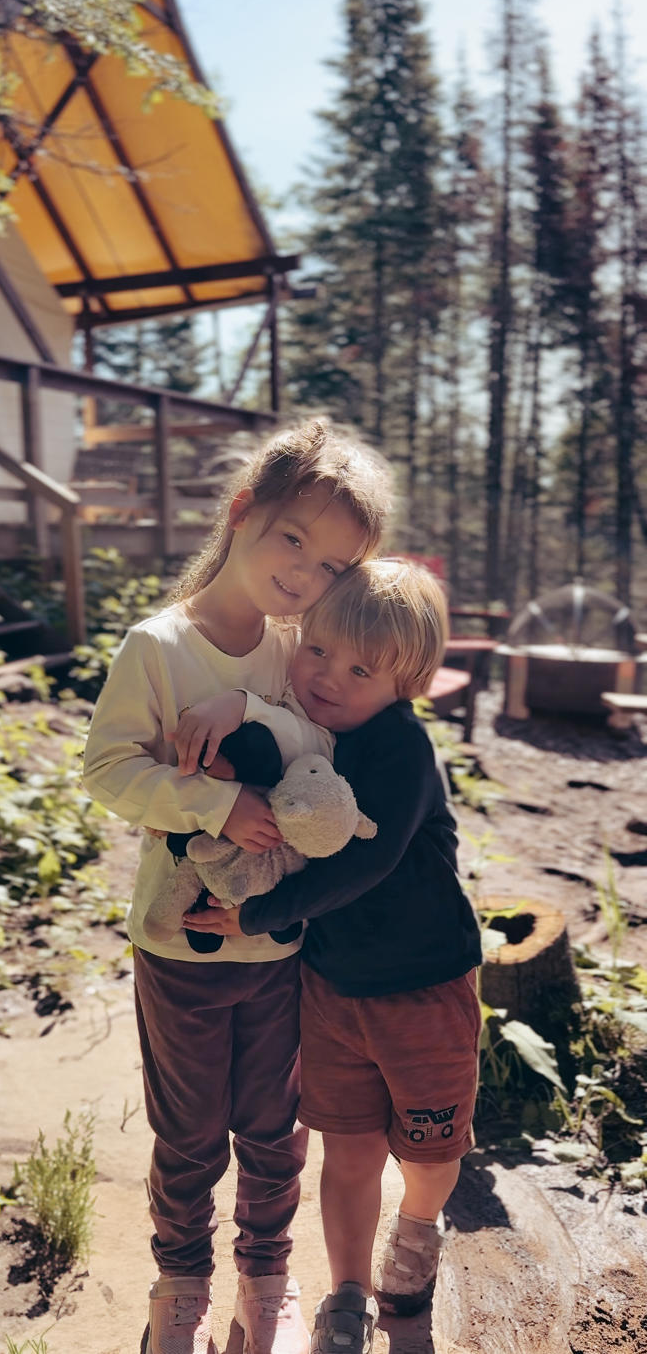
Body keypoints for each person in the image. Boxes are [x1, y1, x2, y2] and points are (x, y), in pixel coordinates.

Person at [83, 419, 393, 1354]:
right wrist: (214, 804)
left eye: (333, 566)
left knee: (272, 1127)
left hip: (277, 945)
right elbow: (106, 770)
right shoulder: (160, 646)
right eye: (294, 538)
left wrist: (258, 712)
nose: (305, 574)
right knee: (188, 1133)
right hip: (178, 945)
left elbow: (322, 750)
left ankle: (266, 1280)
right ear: (244, 510)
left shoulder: (298, 654)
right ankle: (180, 1286)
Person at [182, 558, 483, 1354]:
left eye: (360, 669)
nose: (329, 678)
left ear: (406, 682)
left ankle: (416, 1236)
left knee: (428, 1148)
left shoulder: (400, 752)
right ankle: (347, 1295)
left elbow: (362, 866)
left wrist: (258, 914)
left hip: (424, 986)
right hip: (333, 986)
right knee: (348, 1149)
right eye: (317, 651)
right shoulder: (304, 728)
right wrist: (230, 708)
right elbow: (257, 734)